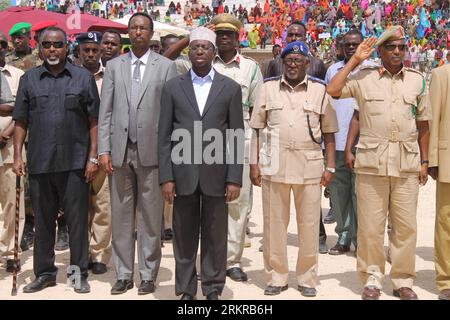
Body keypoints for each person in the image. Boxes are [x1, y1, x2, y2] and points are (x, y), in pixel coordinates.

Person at [327, 26, 430, 300]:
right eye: (391, 47)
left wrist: (425, 160)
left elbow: (423, 123)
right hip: (372, 164)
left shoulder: (417, 80)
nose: (397, 52)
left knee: (405, 227)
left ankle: (402, 280)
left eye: (401, 47)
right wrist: (355, 60)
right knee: (371, 226)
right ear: (381, 51)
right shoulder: (363, 77)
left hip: (407, 164)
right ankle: (372, 278)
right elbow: (333, 89)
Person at [159, 27, 244, 300]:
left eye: (204, 47)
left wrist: (234, 178)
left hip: (217, 175)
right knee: (183, 236)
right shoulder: (173, 87)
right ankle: (185, 289)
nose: (199, 51)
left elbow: (236, 136)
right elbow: (164, 136)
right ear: (189, 51)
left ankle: (213, 287)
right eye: (194, 47)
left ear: (213, 52)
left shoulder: (229, 88)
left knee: (215, 235)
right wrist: (166, 177)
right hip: (182, 174)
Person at [13, 26, 100, 294]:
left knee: (76, 223)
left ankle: (76, 274)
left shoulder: (83, 78)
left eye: (58, 44)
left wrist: (93, 156)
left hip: (75, 162)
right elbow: (21, 120)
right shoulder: (29, 79)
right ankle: (45, 273)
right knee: (43, 220)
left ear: (66, 47)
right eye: (47, 45)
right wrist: (18, 155)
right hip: (40, 162)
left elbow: (93, 121)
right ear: (39, 47)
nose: (52, 49)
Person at [97, 12, 177, 295]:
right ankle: (123, 273)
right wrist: (103, 149)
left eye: (143, 28)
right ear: (127, 33)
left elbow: (172, 114)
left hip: (152, 152)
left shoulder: (166, 67)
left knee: (151, 217)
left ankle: (147, 274)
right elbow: (105, 111)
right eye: (133, 28)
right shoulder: (115, 65)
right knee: (120, 215)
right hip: (119, 151)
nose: (138, 32)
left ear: (151, 33)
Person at [249, 41, 337, 297]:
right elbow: (256, 129)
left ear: (307, 64)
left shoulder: (320, 91)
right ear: (282, 63)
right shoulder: (267, 89)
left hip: (309, 166)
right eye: (289, 61)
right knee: (274, 225)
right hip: (273, 165)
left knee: (309, 225)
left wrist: (330, 165)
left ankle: (307, 278)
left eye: (298, 61)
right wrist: (254, 164)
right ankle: (277, 277)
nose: (293, 65)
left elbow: (329, 132)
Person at [265, 20, 329, 253]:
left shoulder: (318, 65)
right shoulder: (273, 65)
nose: (294, 38)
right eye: (290, 35)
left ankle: (319, 236)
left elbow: (324, 106)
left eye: (298, 34)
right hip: (279, 148)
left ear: (306, 36)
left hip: (308, 145)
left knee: (310, 206)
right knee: (276, 209)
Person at [325, 29, 367, 255]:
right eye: (347, 45)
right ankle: (343, 235)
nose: (351, 48)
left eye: (355, 44)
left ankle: (362, 239)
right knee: (339, 194)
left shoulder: (372, 70)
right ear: (341, 47)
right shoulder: (333, 70)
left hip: (365, 144)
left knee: (361, 194)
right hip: (337, 142)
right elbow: (326, 103)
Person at [77, 31, 112, 275]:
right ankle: (81, 252)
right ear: (78, 52)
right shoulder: (69, 76)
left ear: (100, 51)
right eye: (86, 50)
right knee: (78, 205)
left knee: (103, 204)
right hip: (75, 150)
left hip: (104, 150)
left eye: (94, 50)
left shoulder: (111, 76)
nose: (90, 54)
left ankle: (99, 253)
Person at [0, 31, 25, 273]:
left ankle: (11, 252)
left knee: (12, 204)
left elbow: (22, 108)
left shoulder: (17, 75)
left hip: (9, 148)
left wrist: (6, 132)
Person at [428, 62, 450, 300]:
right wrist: (432, 159)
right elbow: (433, 117)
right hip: (448, 159)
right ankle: (446, 280)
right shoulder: (441, 74)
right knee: (446, 223)